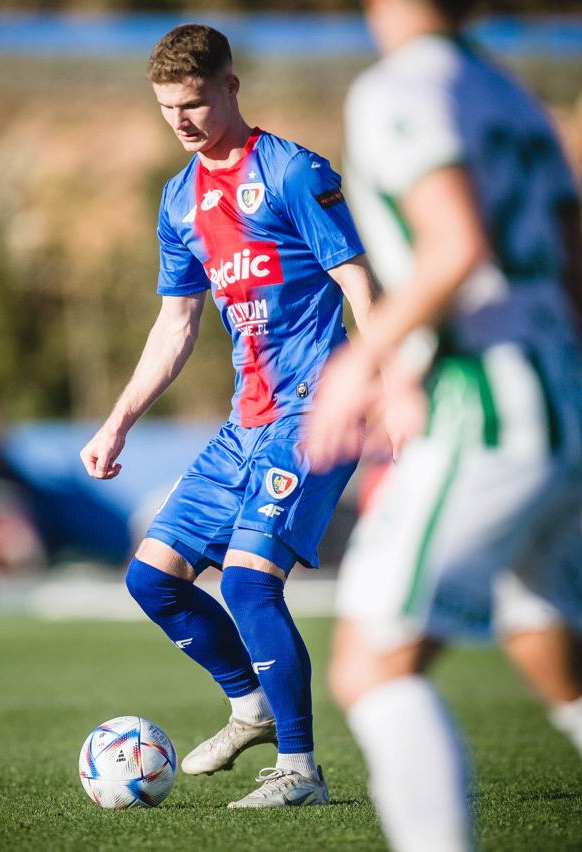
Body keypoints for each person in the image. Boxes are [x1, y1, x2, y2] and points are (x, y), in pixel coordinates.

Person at [304, 1, 582, 849]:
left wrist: (362, 362)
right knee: (561, 661)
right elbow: (581, 282)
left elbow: (455, 246)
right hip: (565, 405)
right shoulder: (512, 96)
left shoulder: (399, 89)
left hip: (488, 410)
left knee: (371, 665)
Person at [80, 23, 390, 809]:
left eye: (191, 103)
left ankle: (301, 772)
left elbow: (360, 285)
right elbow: (176, 325)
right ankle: (250, 706)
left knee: (250, 585)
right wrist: (118, 421)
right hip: (243, 424)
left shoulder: (292, 173)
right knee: (152, 580)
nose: (179, 121)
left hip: (316, 412)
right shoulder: (179, 199)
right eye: (165, 107)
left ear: (230, 86)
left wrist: (394, 390)